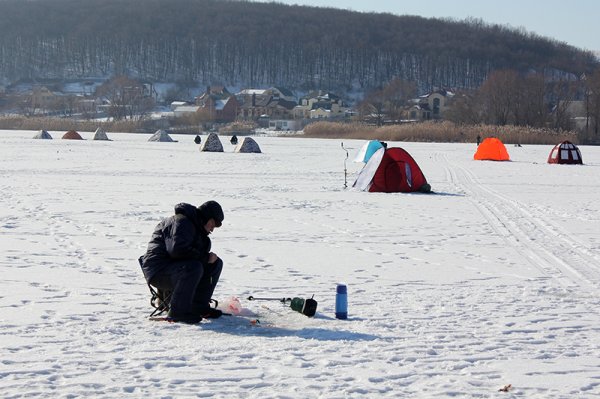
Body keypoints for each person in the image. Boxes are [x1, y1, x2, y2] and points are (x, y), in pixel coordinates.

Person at [139, 201, 225, 323]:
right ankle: (178, 312)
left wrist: (207, 258)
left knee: (215, 264)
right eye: (213, 223)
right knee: (194, 267)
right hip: (158, 272)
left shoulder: (197, 229)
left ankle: (198, 307)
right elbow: (177, 250)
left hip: (174, 269)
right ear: (207, 217)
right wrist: (205, 258)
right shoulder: (182, 222)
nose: (213, 228)